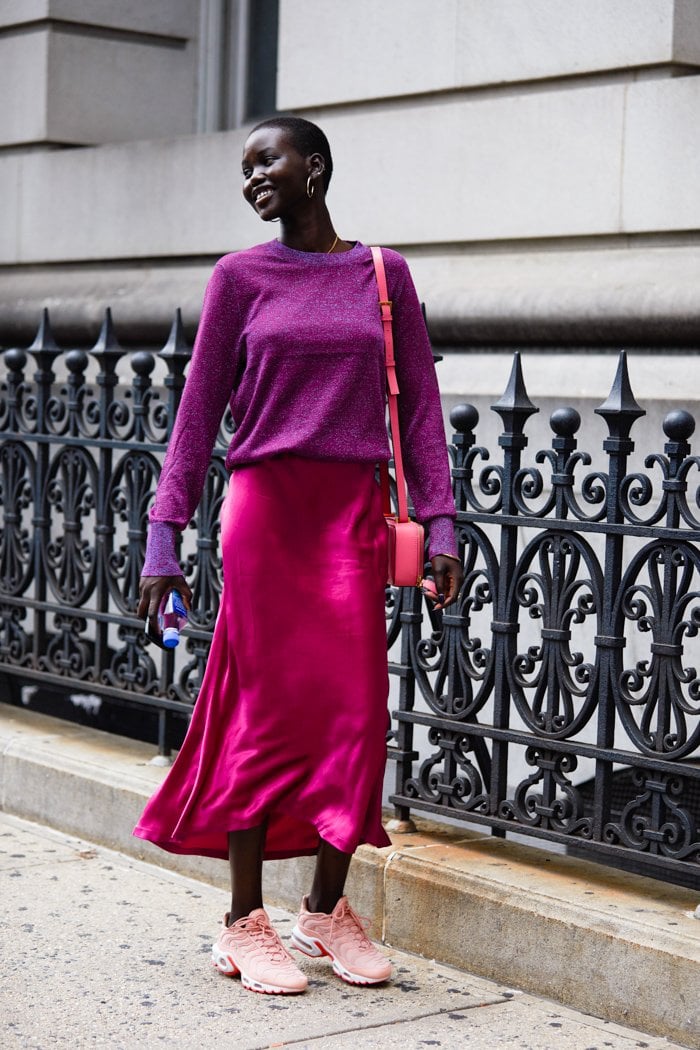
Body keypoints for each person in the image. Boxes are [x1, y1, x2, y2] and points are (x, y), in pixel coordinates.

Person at [134, 116, 463, 996]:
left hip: (352, 518)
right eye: (244, 169)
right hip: (268, 518)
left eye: (267, 160)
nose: (253, 178)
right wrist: (163, 539)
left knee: (355, 717)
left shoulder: (383, 275)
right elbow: (197, 418)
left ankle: (324, 909)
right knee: (263, 717)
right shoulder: (240, 278)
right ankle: (245, 922)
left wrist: (442, 524)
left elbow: (421, 412)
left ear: (314, 168)